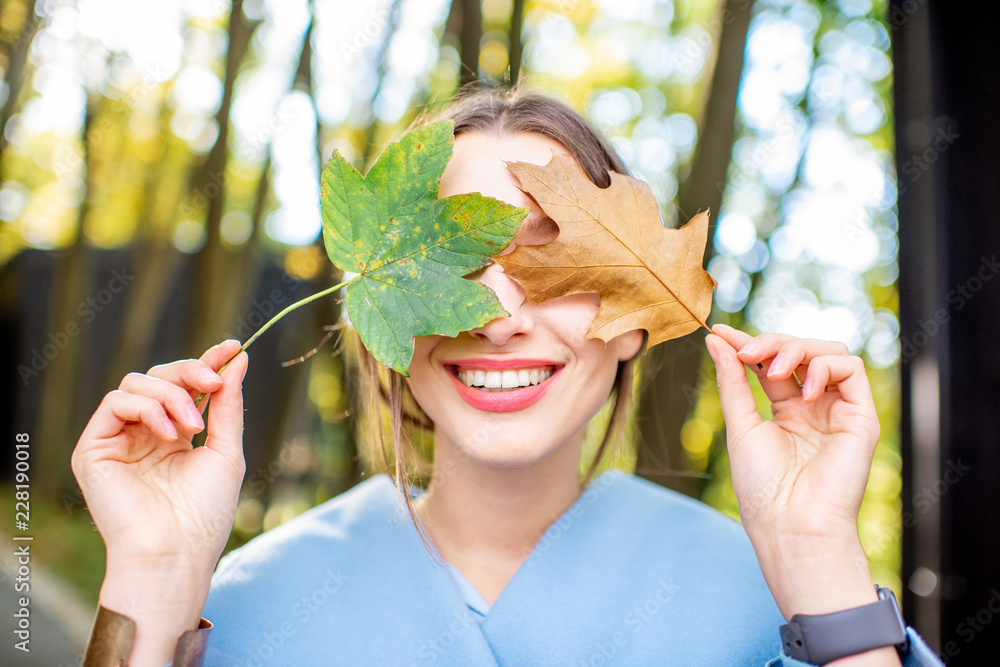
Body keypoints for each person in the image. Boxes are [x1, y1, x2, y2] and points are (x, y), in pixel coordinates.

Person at [72, 85, 943, 667]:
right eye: (452, 266)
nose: (496, 314)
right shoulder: (241, 609)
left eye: (548, 265)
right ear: (384, 314)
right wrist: (150, 578)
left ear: (639, 316)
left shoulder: (779, 599)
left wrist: (819, 565)